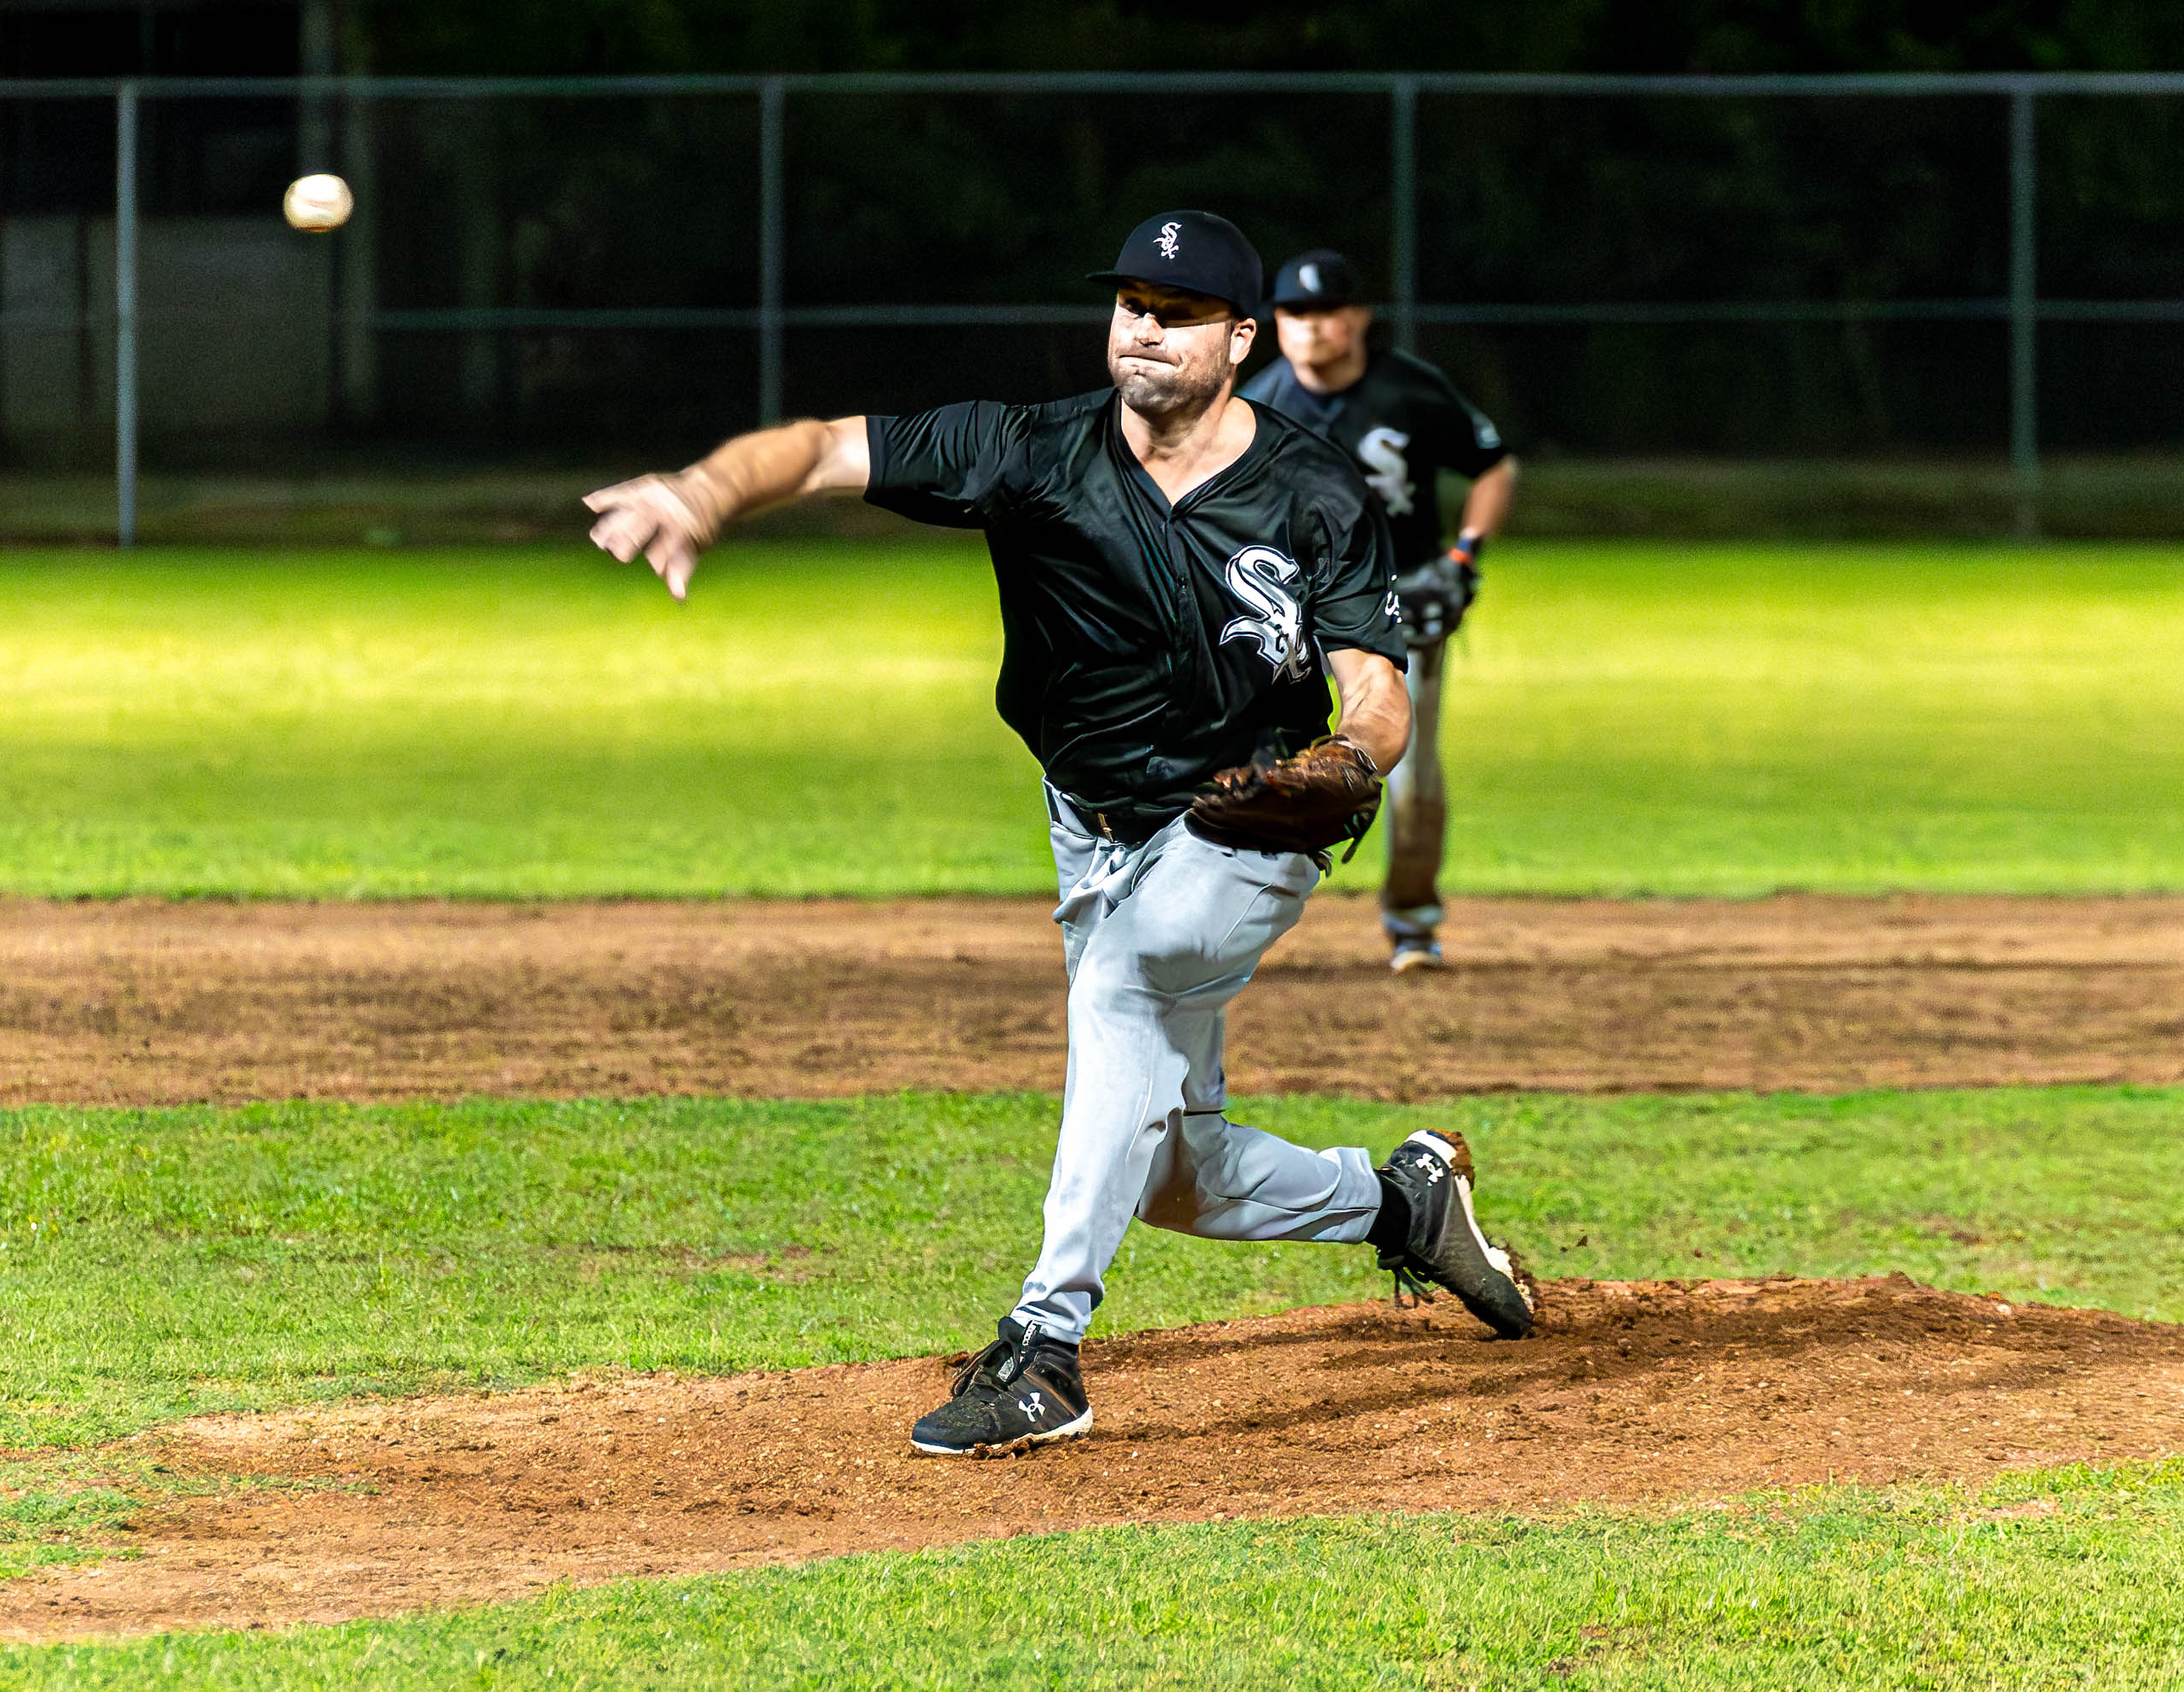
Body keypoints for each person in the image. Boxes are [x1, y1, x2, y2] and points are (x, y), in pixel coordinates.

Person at [583, 210, 1535, 1459]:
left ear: (1241, 339)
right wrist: (704, 489)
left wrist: (1346, 760)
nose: (1144, 327)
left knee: (1129, 985)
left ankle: (1044, 1351)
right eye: (1133, 301)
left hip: (1245, 824)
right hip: (1089, 832)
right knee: (1176, 1173)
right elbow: (821, 448)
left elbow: (1377, 683)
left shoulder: (1312, 490)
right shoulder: (1030, 451)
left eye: (1180, 312)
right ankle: (1399, 1198)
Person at [1239, 251, 1519, 973]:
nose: (1311, 326)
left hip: (1401, 601)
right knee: (1268, 765)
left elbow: (1492, 464)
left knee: (1410, 774)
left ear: (1359, 317)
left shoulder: (1410, 390)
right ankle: (1241, 924)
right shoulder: (1258, 405)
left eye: (1327, 309)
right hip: (1292, 608)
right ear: (1275, 321)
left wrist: (1462, 558)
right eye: (1295, 312)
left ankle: (1414, 923)